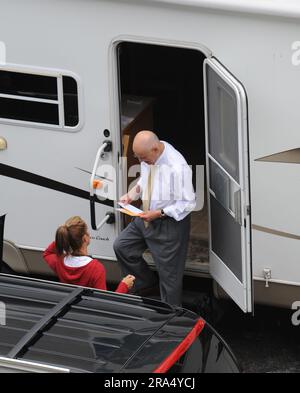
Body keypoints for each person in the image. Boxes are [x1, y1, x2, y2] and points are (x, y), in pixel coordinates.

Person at [113, 131, 196, 306]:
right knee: (122, 247)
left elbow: (188, 203)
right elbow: (145, 179)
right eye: (139, 158)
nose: (141, 162)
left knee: (169, 278)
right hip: (145, 215)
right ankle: (147, 286)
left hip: (168, 223)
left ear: (156, 149)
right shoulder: (149, 154)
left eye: (143, 158)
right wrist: (131, 194)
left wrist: (159, 213)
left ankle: (170, 319)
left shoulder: (178, 167)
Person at [43, 216, 135, 293]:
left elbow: (47, 253)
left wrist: (65, 239)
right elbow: (105, 303)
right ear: (85, 238)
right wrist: (124, 286)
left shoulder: (60, 262)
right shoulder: (96, 268)